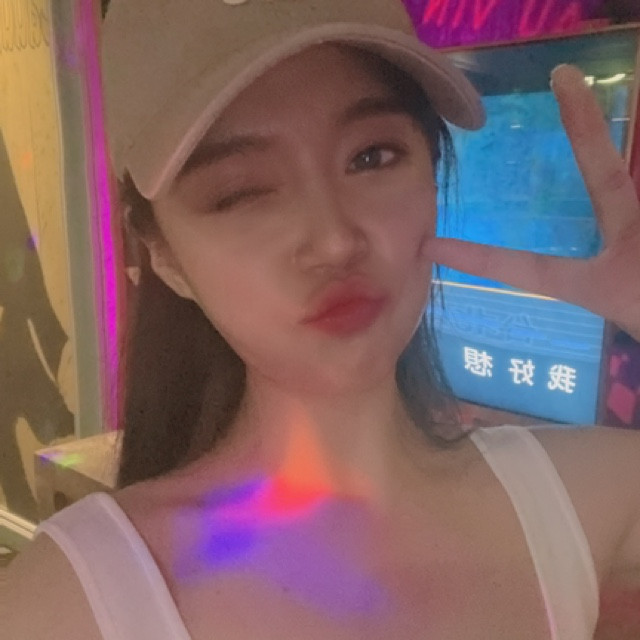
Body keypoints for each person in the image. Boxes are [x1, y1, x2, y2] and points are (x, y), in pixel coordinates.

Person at [3, 0, 640, 638]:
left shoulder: (584, 497)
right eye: (241, 193)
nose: (334, 241)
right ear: (162, 255)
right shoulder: (67, 603)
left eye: (372, 156)